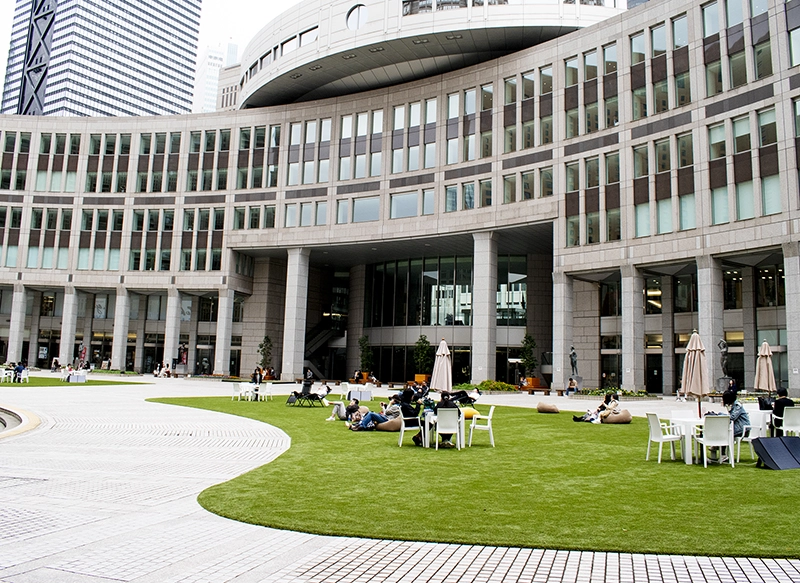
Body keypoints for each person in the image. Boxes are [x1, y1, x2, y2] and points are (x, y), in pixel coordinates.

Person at [721, 389, 750, 463]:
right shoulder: (734, 405)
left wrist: (721, 415)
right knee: (723, 432)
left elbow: (732, 417)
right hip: (737, 428)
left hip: (743, 429)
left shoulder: (737, 406)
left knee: (724, 434)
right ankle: (721, 452)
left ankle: (722, 453)